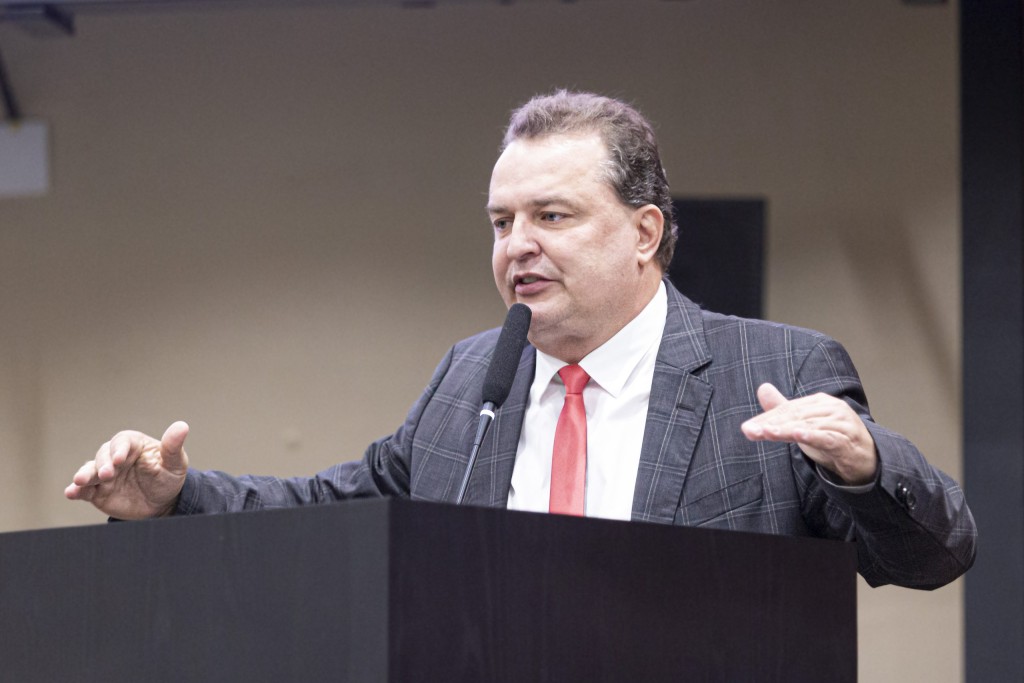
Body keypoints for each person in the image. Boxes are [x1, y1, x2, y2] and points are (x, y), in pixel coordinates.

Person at [65, 90, 976, 590]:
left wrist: (865, 465)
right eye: (502, 222)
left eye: (552, 215)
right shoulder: (473, 376)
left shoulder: (773, 370)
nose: (517, 245)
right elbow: (338, 508)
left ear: (645, 232)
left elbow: (932, 556)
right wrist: (178, 498)